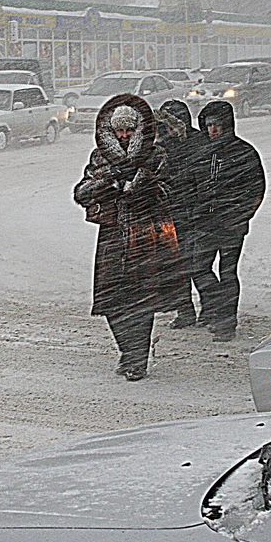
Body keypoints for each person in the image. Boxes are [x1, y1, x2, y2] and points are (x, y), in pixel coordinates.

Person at [74, 94, 188, 381]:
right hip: (112, 237)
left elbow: (169, 192)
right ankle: (127, 350)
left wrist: (139, 184)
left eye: (128, 130)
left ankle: (137, 358)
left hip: (147, 235)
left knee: (142, 301)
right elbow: (81, 191)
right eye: (119, 130)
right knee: (112, 301)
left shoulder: (156, 154)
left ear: (138, 129)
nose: (124, 135)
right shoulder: (100, 157)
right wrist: (108, 181)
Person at [192, 100, 265, 342]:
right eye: (209, 125)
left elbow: (256, 189)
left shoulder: (243, 152)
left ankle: (226, 321)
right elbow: (190, 186)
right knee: (198, 268)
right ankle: (217, 309)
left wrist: (240, 215)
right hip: (205, 223)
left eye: (218, 125)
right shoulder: (201, 153)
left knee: (227, 272)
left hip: (231, 225)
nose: (213, 130)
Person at [156, 99, 207, 329]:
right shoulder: (159, 145)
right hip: (171, 215)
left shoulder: (196, 143)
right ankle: (186, 310)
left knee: (197, 267)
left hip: (193, 214)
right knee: (176, 267)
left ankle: (208, 311)